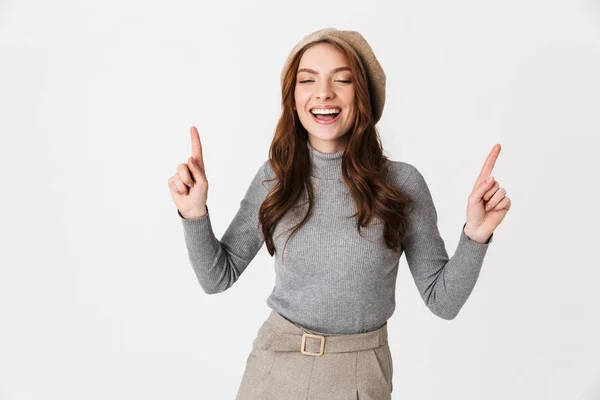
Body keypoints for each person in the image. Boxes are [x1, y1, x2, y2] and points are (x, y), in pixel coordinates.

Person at [168, 27, 511, 400]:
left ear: (362, 96)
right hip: (273, 370)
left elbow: (442, 302)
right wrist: (194, 214)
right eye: (307, 80)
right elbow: (217, 277)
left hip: (360, 376)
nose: (324, 93)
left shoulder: (401, 183)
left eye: (342, 79)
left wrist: (476, 236)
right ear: (294, 98)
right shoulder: (274, 177)